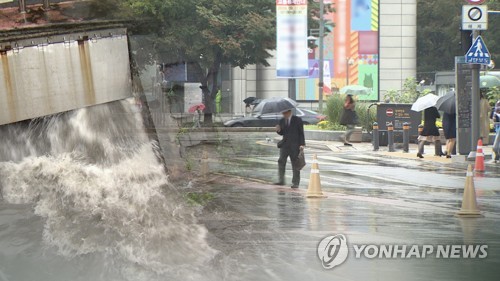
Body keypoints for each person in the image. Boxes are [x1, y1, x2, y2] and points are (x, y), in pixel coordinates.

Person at [275, 109, 306, 189]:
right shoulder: (282, 120)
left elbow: (301, 132)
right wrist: (278, 130)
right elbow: (282, 132)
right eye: (283, 113)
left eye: (285, 113)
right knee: (281, 161)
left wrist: (302, 144)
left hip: (295, 145)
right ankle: (281, 180)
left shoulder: (297, 120)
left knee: (295, 164)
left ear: (289, 112)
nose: (284, 114)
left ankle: (295, 182)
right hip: (284, 145)